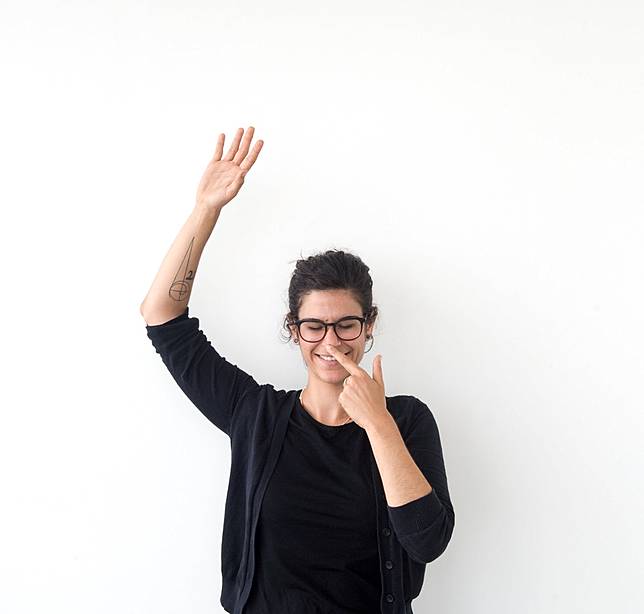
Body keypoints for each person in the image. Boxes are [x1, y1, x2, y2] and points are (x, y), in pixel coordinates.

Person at [140, 126, 455, 614]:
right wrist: (206, 209)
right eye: (314, 326)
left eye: (346, 324)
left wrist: (377, 423)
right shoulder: (255, 414)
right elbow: (162, 317)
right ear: (294, 329)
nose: (331, 341)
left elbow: (428, 541)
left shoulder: (407, 420)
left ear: (369, 325)